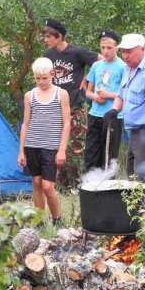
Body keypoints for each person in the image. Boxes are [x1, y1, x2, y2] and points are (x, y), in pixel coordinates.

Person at [108, 33, 145, 213]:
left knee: (144, 176)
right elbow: (120, 95)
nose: (125, 56)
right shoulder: (128, 69)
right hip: (133, 132)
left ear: (142, 49)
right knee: (133, 176)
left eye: (129, 52)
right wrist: (114, 110)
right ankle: (139, 216)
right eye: (123, 52)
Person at [42, 18, 100, 190]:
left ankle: (74, 187)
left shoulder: (77, 53)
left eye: (48, 37)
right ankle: (59, 187)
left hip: (75, 108)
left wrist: (88, 78)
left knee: (74, 149)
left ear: (59, 36)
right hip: (55, 109)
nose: (45, 40)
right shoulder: (48, 56)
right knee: (56, 148)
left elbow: (101, 60)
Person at [17, 57, 71, 226]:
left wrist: (62, 149)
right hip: (32, 144)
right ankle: (39, 221)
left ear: (52, 75)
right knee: (37, 183)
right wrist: (21, 151)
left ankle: (57, 219)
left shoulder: (61, 94)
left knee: (48, 186)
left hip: (51, 146)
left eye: (44, 78)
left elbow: (67, 122)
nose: (41, 81)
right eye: (37, 78)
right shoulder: (29, 95)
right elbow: (26, 124)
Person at [84, 30, 127, 172]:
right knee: (91, 152)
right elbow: (88, 92)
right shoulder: (96, 66)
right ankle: (88, 186)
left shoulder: (122, 67)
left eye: (109, 48)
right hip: (94, 114)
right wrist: (95, 97)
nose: (105, 51)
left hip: (112, 115)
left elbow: (126, 95)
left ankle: (107, 188)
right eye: (102, 48)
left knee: (108, 155)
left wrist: (109, 95)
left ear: (117, 47)